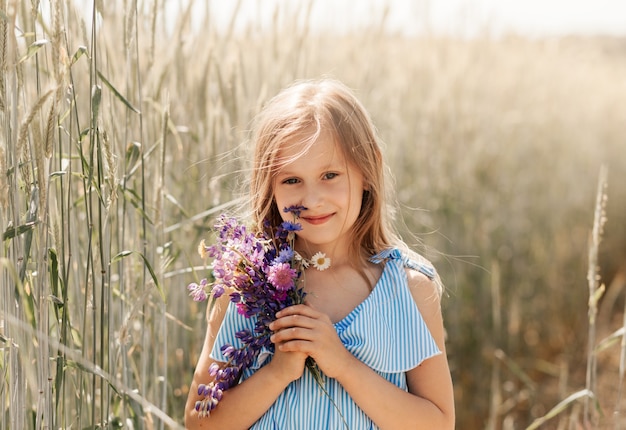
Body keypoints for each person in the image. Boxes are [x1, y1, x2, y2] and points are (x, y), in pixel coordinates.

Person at [184, 79, 455, 429]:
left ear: (367, 171)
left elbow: (439, 423)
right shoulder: (247, 287)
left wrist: (342, 363)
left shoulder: (409, 288)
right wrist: (278, 372)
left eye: (330, 175)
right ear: (268, 186)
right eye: (291, 180)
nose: (311, 200)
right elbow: (199, 421)